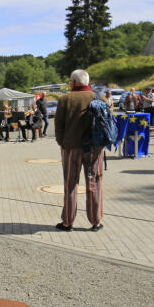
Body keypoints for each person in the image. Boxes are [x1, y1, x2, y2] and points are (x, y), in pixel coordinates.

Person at [54, 69, 104, 231]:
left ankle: (68, 221)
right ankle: (96, 221)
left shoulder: (65, 99)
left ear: (74, 82)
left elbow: (58, 126)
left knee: (70, 184)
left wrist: (63, 143)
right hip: (95, 149)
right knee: (94, 183)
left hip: (71, 149)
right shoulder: (98, 98)